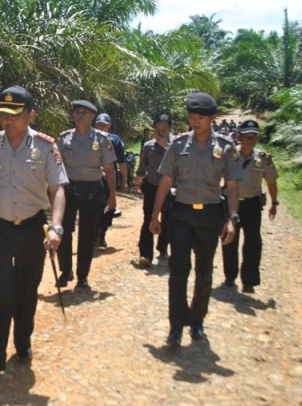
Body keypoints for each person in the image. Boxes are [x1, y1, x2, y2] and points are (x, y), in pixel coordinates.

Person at [0, 86, 68, 375]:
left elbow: (57, 189)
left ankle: (22, 340)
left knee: (27, 289)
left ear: (30, 115)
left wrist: (57, 227)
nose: (7, 120)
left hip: (32, 227)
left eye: (15, 115)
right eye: (3, 115)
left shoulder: (46, 146)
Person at [150, 92, 243, 347]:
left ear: (213, 117)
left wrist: (232, 218)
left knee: (204, 271)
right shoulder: (178, 145)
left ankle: (197, 319)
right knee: (178, 270)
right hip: (181, 213)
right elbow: (166, 180)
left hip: (210, 215)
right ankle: (176, 325)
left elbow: (233, 185)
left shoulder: (225, 146)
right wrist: (155, 214)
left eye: (201, 117)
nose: (196, 122)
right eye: (192, 117)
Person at [56, 100, 117, 289]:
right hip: (69, 190)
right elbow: (56, 167)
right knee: (63, 231)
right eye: (77, 112)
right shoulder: (64, 139)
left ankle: (83, 275)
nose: (80, 115)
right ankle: (66, 272)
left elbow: (109, 169)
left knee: (87, 235)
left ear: (92, 117)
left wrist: (112, 195)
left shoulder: (101, 139)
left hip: (93, 191)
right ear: (72, 116)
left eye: (85, 113)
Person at [221, 120, 278, 294]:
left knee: (253, 242)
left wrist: (274, 203)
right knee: (229, 240)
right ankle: (230, 277)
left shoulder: (263, 158)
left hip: (252, 205)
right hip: (230, 203)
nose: (250, 140)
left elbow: (271, 182)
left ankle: (249, 281)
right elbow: (215, 175)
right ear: (239, 137)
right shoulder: (229, 154)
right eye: (247, 137)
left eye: (254, 137)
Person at [134, 113, 172, 267]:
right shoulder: (148, 146)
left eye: (164, 129)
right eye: (158, 130)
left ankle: (162, 249)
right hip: (152, 186)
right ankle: (145, 254)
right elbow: (142, 167)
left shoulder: (178, 145)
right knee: (148, 218)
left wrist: (166, 146)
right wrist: (137, 182)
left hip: (171, 189)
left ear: (170, 128)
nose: (161, 133)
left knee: (168, 220)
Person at [94, 113, 125, 250]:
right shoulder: (88, 138)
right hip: (92, 178)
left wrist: (124, 181)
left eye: (104, 124)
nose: (101, 127)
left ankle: (102, 236)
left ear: (109, 125)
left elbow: (122, 162)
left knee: (108, 207)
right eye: (99, 124)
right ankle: (93, 236)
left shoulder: (115, 140)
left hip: (108, 178)